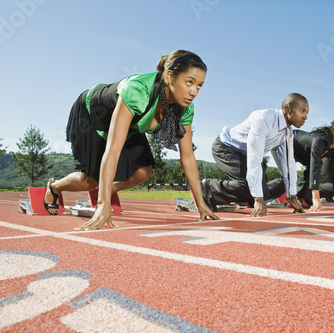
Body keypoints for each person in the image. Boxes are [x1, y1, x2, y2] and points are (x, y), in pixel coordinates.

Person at [43, 50, 219, 230]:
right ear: (169, 76)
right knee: (90, 181)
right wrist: (103, 204)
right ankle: (54, 187)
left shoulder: (185, 109)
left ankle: (104, 187)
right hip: (93, 113)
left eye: (199, 86)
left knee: (143, 172)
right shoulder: (137, 91)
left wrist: (201, 204)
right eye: (189, 82)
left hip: (130, 123)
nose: (194, 91)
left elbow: (188, 157)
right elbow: (113, 149)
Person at [199, 93, 309, 217]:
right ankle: (208, 187)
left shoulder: (288, 132)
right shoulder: (264, 119)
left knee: (263, 190)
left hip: (245, 153)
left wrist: (293, 195)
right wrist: (258, 199)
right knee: (251, 186)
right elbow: (254, 159)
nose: (305, 117)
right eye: (302, 111)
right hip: (226, 147)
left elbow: (288, 164)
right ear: (287, 109)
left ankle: (246, 197)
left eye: (307, 112)